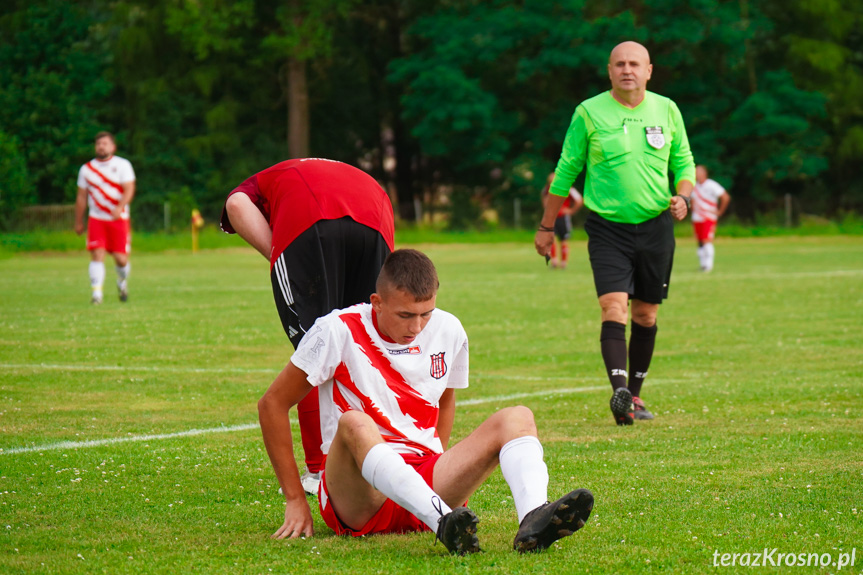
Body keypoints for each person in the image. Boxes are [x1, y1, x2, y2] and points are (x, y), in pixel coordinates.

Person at [258, 249, 594, 554]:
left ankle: (533, 519)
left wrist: (440, 468)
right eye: (405, 315)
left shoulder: (449, 329)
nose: (417, 326)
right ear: (376, 302)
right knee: (354, 421)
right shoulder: (336, 330)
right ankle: (441, 520)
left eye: (426, 314)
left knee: (518, 416)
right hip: (359, 499)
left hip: (423, 480)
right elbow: (271, 403)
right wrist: (295, 499)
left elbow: (445, 401)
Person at [534, 41, 696, 426]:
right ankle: (619, 391)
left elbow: (684, 161)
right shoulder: (588, 112)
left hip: (656, 227)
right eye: (620, 64)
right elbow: (566, 169)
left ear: (649, 70)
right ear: (609, 71)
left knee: (645, 313)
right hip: (607, 229)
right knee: (613, 307)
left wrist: (684, 197)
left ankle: (634, 398)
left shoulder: (667, 109)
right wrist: (546, 225)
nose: (628, 70)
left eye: (635, 64)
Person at [221, 158, 395, 495]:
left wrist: (278, 251)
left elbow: (235, 204)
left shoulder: (261, 182)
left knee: (314, 347)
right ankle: (383, 454)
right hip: (375, 215)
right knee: (369, 341)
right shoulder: (334, 171)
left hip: (310, 220)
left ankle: (319, 471)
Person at [75, 131, 136, 304]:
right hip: (97, 218)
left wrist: (120, 206)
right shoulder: (87, 169)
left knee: (121, 259)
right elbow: (81, 197)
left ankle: (122, 282)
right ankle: (97, 294)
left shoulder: (122, 165)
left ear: (113, 147)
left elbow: (129, 189)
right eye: (98, 144)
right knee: (97, 254)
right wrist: (78, 221)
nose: (101, 146)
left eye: (105, 143)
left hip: (119, 219)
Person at [540, 172, 584, 269]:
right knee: (551, 238)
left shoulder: (567, 188)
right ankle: (554, 261)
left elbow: (579, 200)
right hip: (552, 217)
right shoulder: (547, 189)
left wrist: (571, 211)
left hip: (562, 217)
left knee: (564, 239)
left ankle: (564, 263)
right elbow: (544, 198)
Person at [692, 165, 731, 272]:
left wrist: (719, 212)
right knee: (700, 240)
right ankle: (702, 264)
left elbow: (725, 197)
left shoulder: (711, 185)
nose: (695, 174)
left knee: (706, 240)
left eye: (698, 172)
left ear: (704, 173)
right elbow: (692, 200)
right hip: (696, 217)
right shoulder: (694, 186)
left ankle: (708, 265)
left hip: (708, 217)